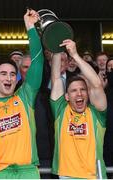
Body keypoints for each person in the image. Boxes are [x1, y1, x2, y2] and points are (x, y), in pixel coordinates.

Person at [0, 9, 44, 179]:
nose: (9, 78)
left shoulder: (25, 96)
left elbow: (37, 61)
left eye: (13, 74)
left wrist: (30, 27)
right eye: (3, 74)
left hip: (29, 172)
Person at [50, 39, 107, 179]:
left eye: (83, 89)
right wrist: (57, 50)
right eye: (74, 91)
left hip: (94, 176)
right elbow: (56, 78)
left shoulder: (97, 114)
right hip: (66, 175)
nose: (79, 93)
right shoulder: (60, 111)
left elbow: (97, 84)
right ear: (67, 96)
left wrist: (75, 55)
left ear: (88, 94)